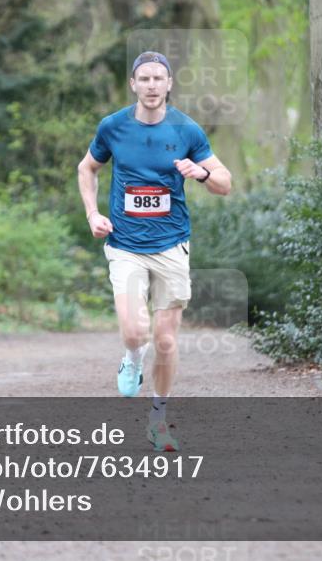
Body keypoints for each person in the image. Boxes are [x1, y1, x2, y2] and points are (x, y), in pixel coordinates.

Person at [77, 51, 231, 451]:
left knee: (165, 341)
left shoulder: (187, 130)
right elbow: (87, 168)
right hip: (125, 244)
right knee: (134, 332)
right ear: (133, 84)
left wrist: (200, 173)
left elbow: (224, 182)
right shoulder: (113, 127)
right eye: (143, 79)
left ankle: (159, 419)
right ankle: (131, 358)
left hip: (171, 245)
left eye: (158, 79)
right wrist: (93, 213)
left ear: (168, 84)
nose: (151, 86)